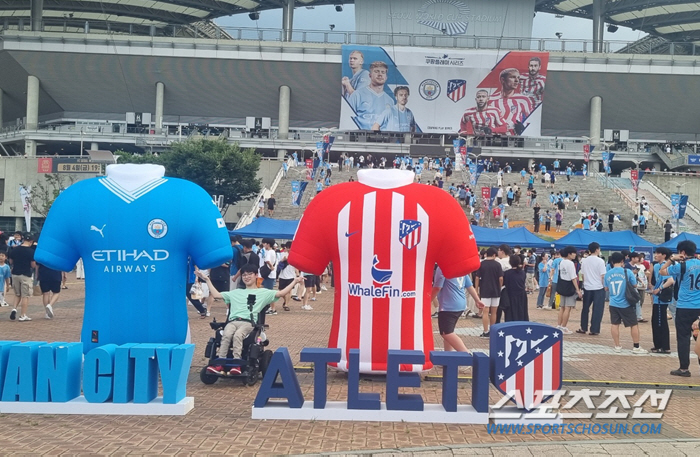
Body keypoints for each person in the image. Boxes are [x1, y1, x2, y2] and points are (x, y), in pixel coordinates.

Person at [198, 265, 304, 375]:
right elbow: (216, 295)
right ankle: (219, 363)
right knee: (226, 335)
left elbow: (281, 293)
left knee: (238, 335)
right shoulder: (236, 292)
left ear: (256, 275)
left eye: (249, 274)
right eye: (244, 275)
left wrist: (295, 281)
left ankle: (237, 364)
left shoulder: (263, 292)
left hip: (248, 322)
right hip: (232, 321)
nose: (246, 277)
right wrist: (207, 279)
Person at [660, 240, 700, 376]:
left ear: (682, 252)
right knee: (699, 337)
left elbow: (662, 271)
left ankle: (684, 368)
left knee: (683, 337)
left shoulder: (681, 266)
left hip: (684, 306)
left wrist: (671, 259)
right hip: (698, 307)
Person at [432, 266, 483, 353]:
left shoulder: (442, 268)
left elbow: (437, 287)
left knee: (446, 333)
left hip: (448, 305)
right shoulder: (460, 267)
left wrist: (427, 300)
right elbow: (469, 285)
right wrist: (477, 300)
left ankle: (467, 357)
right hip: (460, 303)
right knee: (449, 332)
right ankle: (448, 359)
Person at [604, 252, 647, 354]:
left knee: (615, 324)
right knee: (633, 324)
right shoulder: (627, 272)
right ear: (623, 261)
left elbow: (606, 288)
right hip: (626, 303)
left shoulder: (608, 273)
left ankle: (617, 345)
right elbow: (635, 285)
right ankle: (636, 346)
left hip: (613, 303)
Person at [347, 61, 394, 130]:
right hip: (361, 138)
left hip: (383, 138)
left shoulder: (390, 101)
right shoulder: (357, 95)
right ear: (370, 75)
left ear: (386, 77)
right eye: (376, 71)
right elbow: (348, 119)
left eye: (383, 72)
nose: (380, 74)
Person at [489, 68, 534, 135]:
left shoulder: (524, 99)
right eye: (512, 77)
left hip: (513, 138)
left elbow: (531, 120)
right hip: (493, 137)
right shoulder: (491, 99)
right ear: (502, 80)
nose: (516, 80)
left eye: (518, 78)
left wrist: (522, 128)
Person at [577, 242, 607, 336]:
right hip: (598, 287)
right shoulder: (600, 261)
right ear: (597, 249)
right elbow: (603, 275)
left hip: (587, 287)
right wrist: (605, 286)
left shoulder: (584, 260)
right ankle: (594, 329)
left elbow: (582, 274)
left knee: (585, 308)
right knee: (597, 309)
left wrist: (585, 284)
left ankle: (583, 327)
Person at [475, 247, 503, 338]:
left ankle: (485, 331)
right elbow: (501, 278)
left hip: (485, 290)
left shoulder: (481, 264)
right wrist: (499, 286)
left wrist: (476, 289)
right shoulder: (498, 265)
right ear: (494, 255)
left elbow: (477, 277)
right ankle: (492, 330)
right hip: (496, 290)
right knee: (494, 312)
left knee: (485, 311)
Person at [650, 247, 674, 354]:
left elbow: (670, 280)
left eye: (658, 253)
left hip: (661, 298)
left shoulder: (667, 266)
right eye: (655, 253)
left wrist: (659, 289)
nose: (656, 255)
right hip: (656, 297)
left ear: (664, 255)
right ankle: (657, 344)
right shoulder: (656, 266)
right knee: (655, 321)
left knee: (661, 321)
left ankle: (664, 346)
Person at [8, 233, 35, 322]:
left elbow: (11, 261)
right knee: (25, 296)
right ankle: (23, 315)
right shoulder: (31, 252)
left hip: (15, 274)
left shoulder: (15, 250)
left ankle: (14, 309)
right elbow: (33, 265)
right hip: (25, 274)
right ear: (31, 242)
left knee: (17, 294)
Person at [555, 246, 583, 334]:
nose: (575, 255)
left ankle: (559, 325)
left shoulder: (561, 262)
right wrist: (578, 290)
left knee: (562, 308)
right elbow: (573, 278)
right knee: (568, 308)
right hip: (569, 287)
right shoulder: (570, 263)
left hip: (562, 286)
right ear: (569, 254)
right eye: (574, 253)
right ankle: (564, 327)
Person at [503, 255, 529, 322]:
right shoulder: (523, 273)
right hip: (522, 295)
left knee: (511, 313)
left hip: (511, 295)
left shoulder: (507, 273)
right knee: (522, 312)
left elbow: (504, 283)